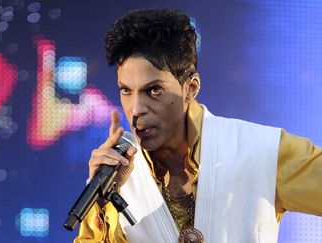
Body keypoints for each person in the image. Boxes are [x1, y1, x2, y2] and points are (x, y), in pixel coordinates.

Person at [74, 8, 322, 243]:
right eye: (126, 90)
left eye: (154, 90)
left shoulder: (261, 150)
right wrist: (102, 200)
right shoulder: (112, 176)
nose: (136, 108)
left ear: (190, 88)